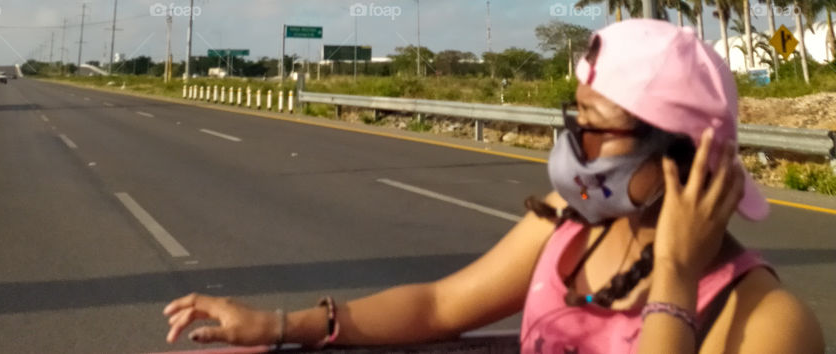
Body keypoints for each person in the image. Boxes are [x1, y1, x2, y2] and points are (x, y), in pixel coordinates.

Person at [164, 19, 824, 353]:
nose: (573, 146)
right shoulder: (574, 223)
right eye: (575, 119)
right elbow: (439, 307)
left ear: (679, 153)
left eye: (594, 127)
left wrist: (676, 276)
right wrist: (281, 325)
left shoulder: (770, 321)